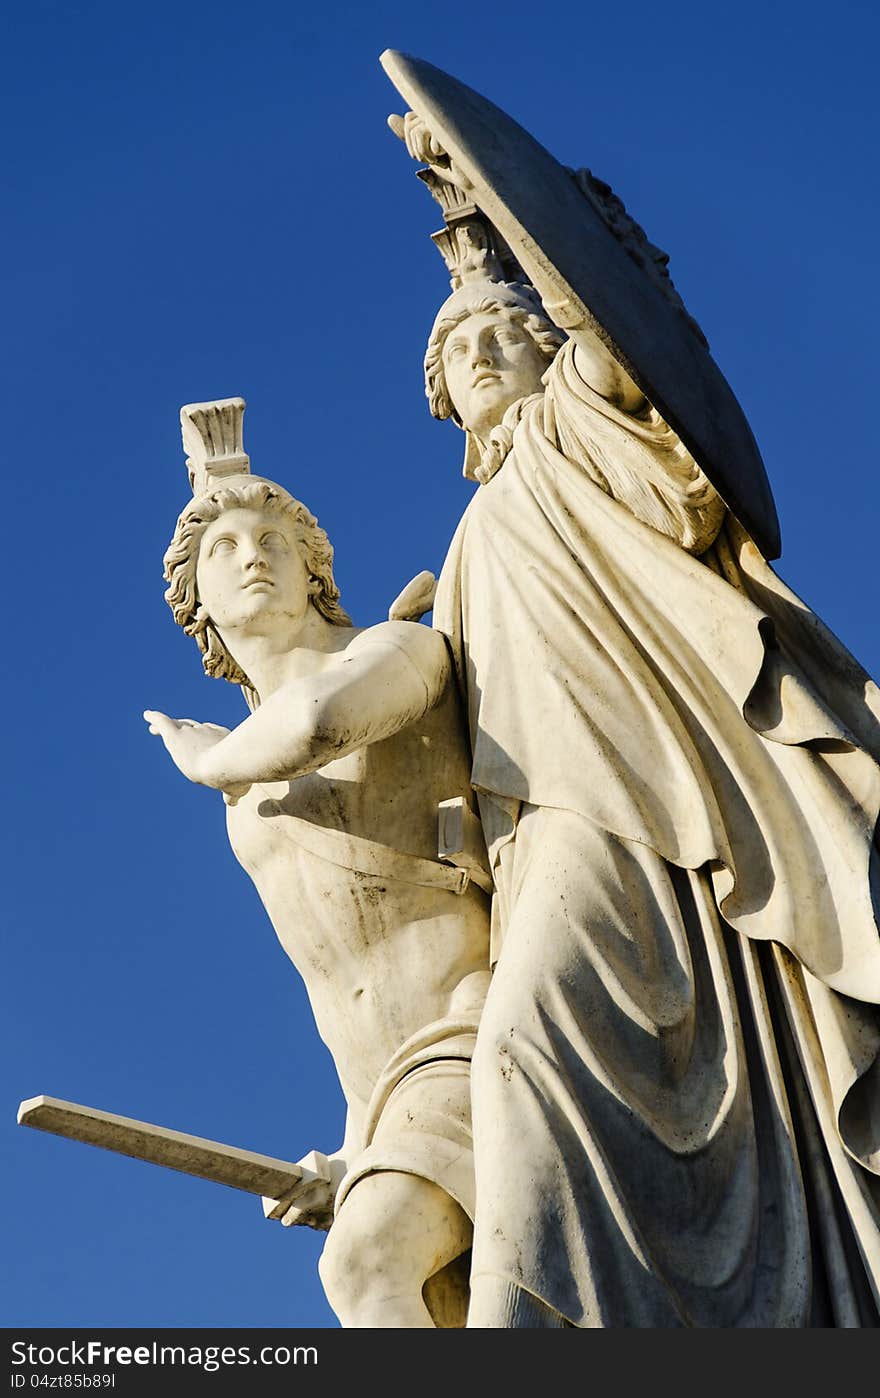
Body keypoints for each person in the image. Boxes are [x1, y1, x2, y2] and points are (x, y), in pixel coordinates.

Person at [416, 259, 880, 1328]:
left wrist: (530, 244)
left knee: (529, 1046)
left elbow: (624, 357)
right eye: (456, 345)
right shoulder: (470, 540)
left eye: (504, 329)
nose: (482, 350)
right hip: (549, 829)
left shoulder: (567, 433)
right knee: (574, 1068)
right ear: (441, 395)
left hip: (658, 804)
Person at [145, 443, 491, 1329]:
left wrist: (209, 761)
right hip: (386, 1094)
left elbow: (319, 721)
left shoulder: (401, 650)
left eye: (273, 537)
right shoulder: (244, 811)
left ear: (315, 570)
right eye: (222, 548)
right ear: (200, 608)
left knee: (369, 1268)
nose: (252, 554)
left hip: (486, 1027)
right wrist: (352, 1151)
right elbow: (347, 984)